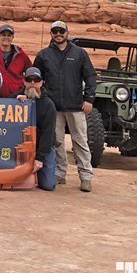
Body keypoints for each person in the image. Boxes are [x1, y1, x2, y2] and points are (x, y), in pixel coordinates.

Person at [34, 20, 97, 193]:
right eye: (55, 31)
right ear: (51, 34)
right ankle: (59, 173)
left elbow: (90, 76)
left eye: (62, 31)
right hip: (54, 107)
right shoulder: (44, 55)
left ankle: (86, 176)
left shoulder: (79, 53)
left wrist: (89, 99)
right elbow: (36, 78)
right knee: (57, 141)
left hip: (75, 105)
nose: (58, 34)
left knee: (80, 141)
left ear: (67, 33)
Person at [16, 66, 56, 191]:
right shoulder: (16, 98)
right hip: (22, 147)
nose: (33, 83)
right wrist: (14, 102)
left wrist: (40, 158)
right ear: (24, 81)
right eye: (29, 79)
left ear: (42, 82)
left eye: (36, 80)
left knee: (48, 185)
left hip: (42, 147)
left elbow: (47, 134)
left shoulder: (49, 105)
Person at [0, 23, 33, 98]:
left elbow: (30, 72)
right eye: (3, 35)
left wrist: (25, 91)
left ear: (13, 37)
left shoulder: (20, 54)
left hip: (17, 98)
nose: (6, 37)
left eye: (9, 35)